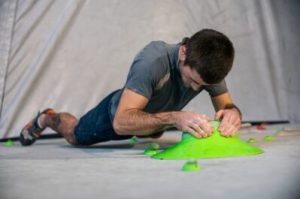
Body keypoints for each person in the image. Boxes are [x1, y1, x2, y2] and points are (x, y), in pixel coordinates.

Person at [19, 29, 242, 146]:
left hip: (154, 121)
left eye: (202, 86)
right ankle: (46, 118)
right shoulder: (153, 60)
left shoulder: (207, 70)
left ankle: (158, 126)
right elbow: (120, 123)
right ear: (183, 52)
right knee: (75, 135)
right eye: (193, 81)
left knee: (157, 130)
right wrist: (175, 117)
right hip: (118, 115)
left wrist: (233, 113)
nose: (195, 88)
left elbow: (227, 106)